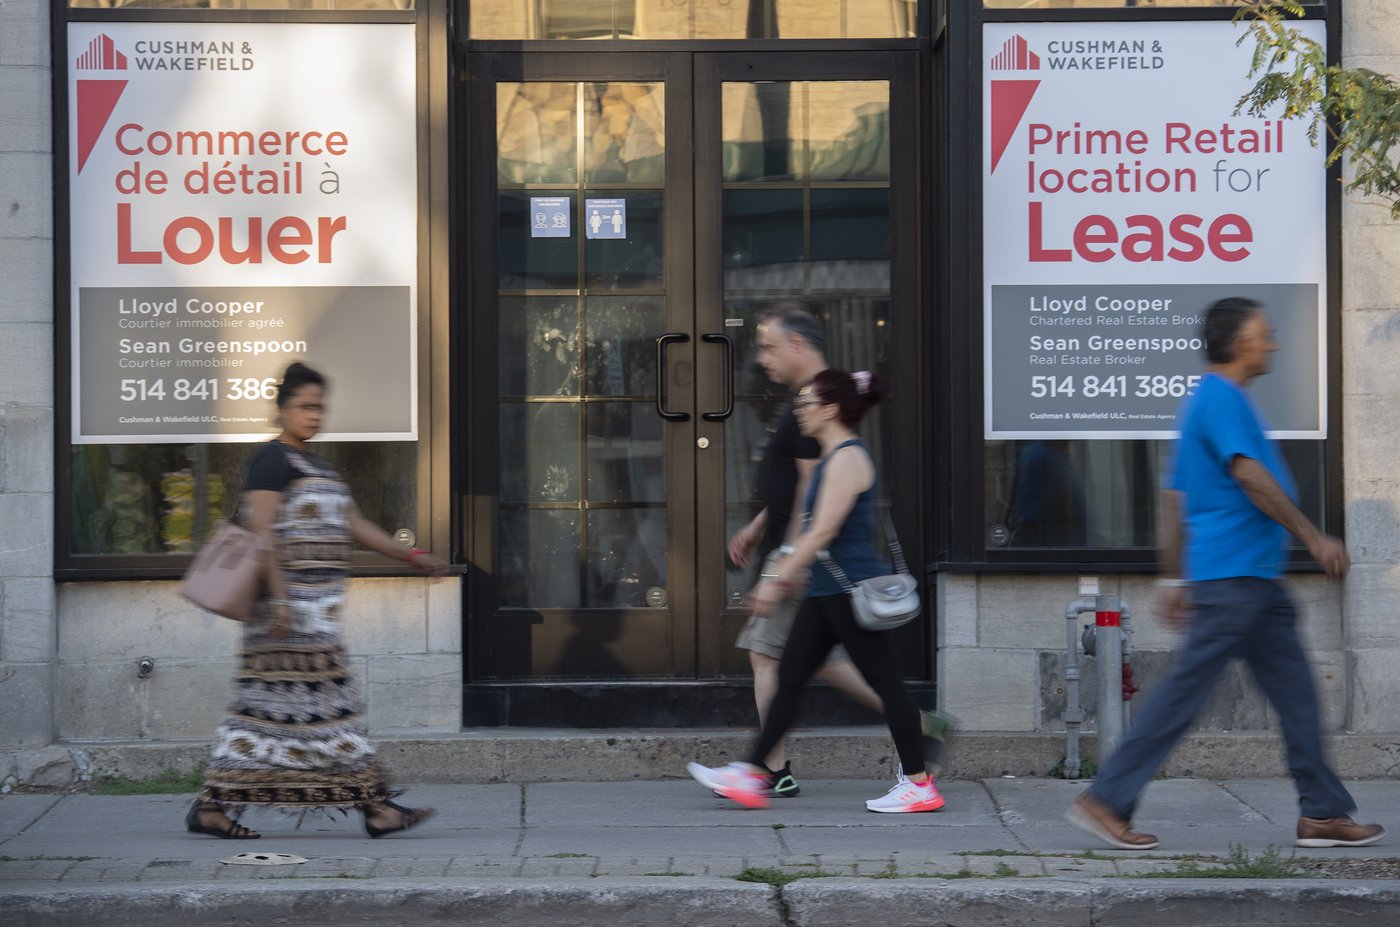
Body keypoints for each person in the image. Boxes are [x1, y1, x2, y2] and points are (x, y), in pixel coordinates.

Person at [1065, 298, 1385, 851]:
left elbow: (1175, 498)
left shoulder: (1209, 403)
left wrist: (1172, 579)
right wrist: (1312, 536)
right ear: (1242, 344)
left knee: (1298, 698)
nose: (1273, 343)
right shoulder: (1221, 399)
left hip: (1252, 584)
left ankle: (1322, 812)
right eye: (1266, 334)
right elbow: (1250, 476)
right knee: (1183, 694)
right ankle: (1107, 800)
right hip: (1233, 582)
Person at [185, 362, 447, 840]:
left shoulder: (318, 465)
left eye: (320, 407)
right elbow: (263, 532)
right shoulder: (271, 460)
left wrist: (412, 555)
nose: (314, 415)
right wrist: (282, 600)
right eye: (305, 406)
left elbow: (355, 524)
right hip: (286, 615)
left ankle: (212, 806)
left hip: (316, 613)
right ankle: (376, 807)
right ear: (283, 409)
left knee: (267, 712)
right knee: (330, 706)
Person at [692, 369, 943, 813]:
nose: (799, 412)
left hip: (850, 590)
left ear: (830, 410)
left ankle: (920, 783)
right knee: (789, 679)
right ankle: (752, 773)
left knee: (886, 685)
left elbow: (822, 531)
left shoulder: (847, 458)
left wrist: (776, 580)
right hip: (827, 590)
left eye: (806, 404)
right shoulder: (832, 458)